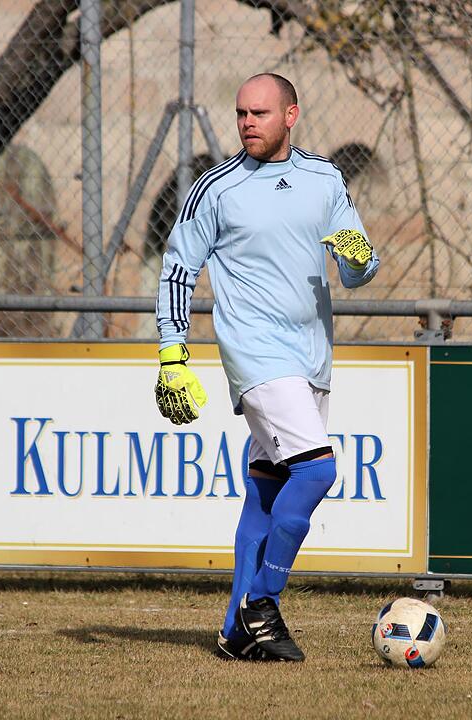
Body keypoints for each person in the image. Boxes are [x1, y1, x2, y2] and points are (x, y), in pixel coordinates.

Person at [153, 73, 380, 662]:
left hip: (311, 356)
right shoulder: (216, 188)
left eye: (259, 113)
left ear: (291, 116)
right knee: (317, 472)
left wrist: (359, 261)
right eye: (241, 113)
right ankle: (263, 602)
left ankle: (233, 633)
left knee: (266, 491)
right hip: (255, 353)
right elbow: (179, 268)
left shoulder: (323, 178)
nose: (247, 122)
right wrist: (172, 353)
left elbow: (356, 263)